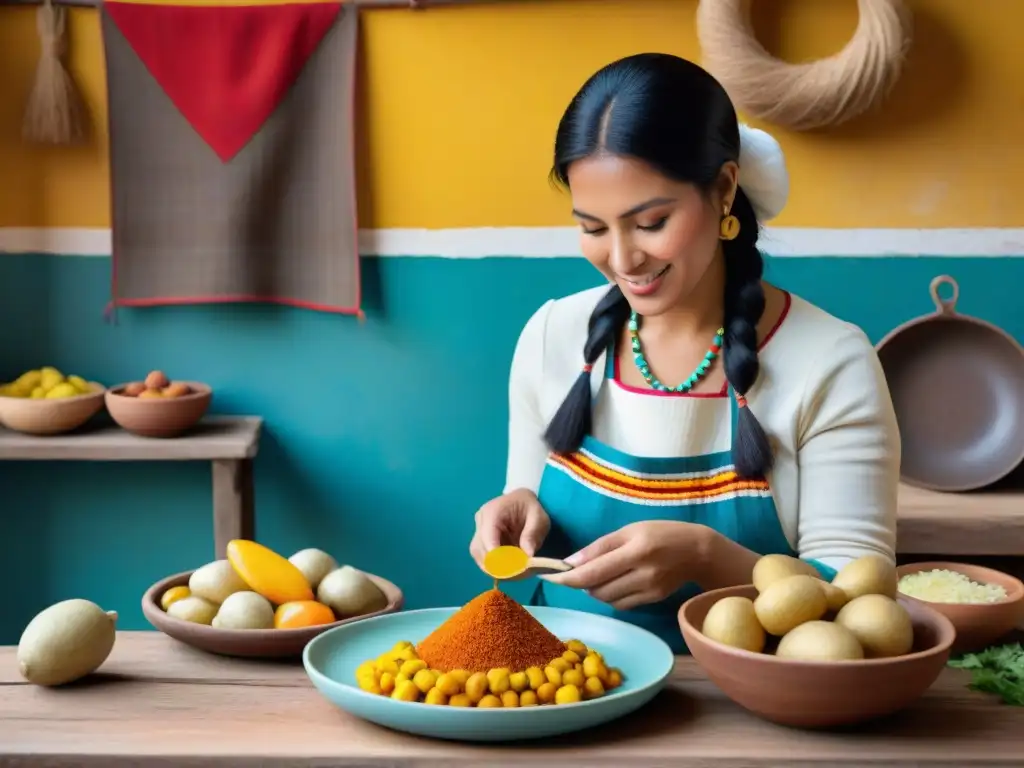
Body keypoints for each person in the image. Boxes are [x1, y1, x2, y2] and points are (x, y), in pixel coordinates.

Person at [469, 53, 901, 652]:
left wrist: (707, 557)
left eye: (650, 222)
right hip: (562, 691)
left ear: (723, 190)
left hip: (746, 712)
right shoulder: (552, 335)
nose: (622, 261)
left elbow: (859, 609)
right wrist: (517, 508)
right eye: (593, 228)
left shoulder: (830, 362)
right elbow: (526, 509)